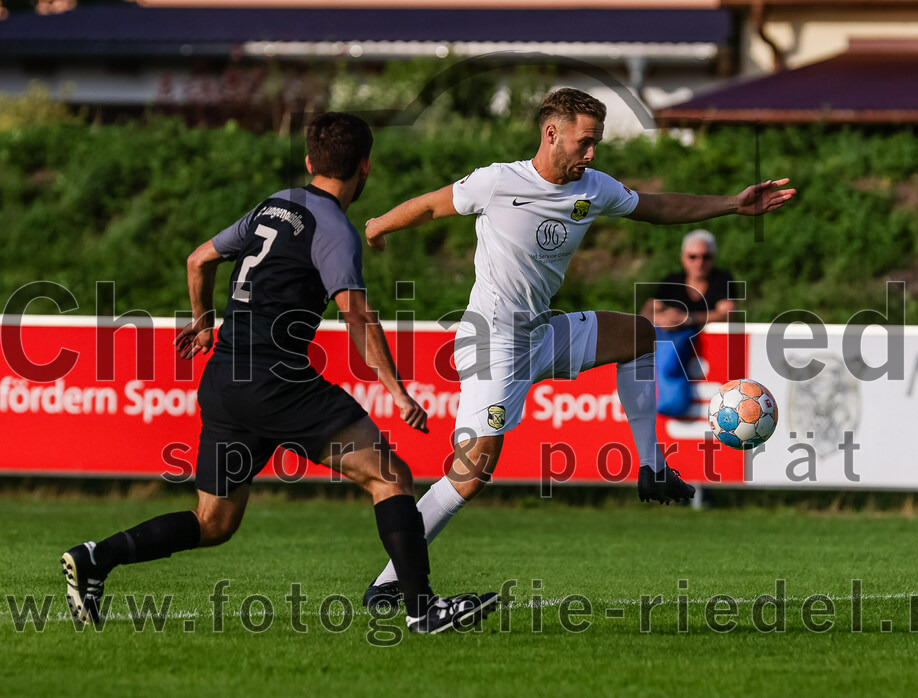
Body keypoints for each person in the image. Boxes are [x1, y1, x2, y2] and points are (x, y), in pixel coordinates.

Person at [60, 112, 497, 634]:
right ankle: (423, 610)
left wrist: (203, 324)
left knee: (213, 522)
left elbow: (198, 259)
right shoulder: (334, 228)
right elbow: (356, 314)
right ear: (366, 167)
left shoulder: (273, 206)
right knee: (390, 477)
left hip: (224, 379)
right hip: (275, 380)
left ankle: (94, 558)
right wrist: (398, 393)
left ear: (310, 161)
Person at [361, 88, 795, 607]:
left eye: (597, 143)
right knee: (471, 474)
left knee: (639, 336)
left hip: (541, 333)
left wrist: (730, 204)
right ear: (551, 134)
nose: (592, 153)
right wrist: (378, 225)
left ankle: (653, 468)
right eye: (585, 142)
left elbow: (654, 206)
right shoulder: (498, 181)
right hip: (492, 340)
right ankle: (390, 582)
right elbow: (433, 205)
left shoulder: (594, 187)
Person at [641, 229, 735, 418]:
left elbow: (727, 314)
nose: (699, 262)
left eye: (705, 257)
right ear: (684, 258)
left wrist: (688, 319)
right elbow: (647, 311)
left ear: (713, 258)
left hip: (711, 359)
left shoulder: (722, 280)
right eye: (693, 257)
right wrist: (664, 319)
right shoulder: (672, 281)